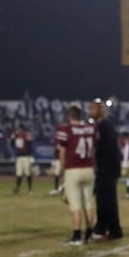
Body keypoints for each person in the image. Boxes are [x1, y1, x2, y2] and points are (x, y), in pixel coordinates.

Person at [54, 103, 98, 246]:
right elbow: (93, 150)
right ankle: (90, 233)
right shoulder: (90, 128)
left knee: (75, 204)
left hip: (73, 169)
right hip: (89, 169)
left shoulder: (65, 129)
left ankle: (77, 235)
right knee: (88, 202)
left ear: (69, 116)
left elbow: (62, 152)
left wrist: (62, 170)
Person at [90, 99, 123, 239]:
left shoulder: (105, 126)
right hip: (106, 167)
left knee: (108, 200)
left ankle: (114, 230)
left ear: (100, 110)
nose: (90, 112)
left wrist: (98, 161)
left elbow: (107, 149)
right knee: (101, 199)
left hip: (107, 168)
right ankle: (101, 227)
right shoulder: (102, 125)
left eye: (93, 109)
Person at [12, 122, 34, 194]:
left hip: (26, 156)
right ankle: (17, 188)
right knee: (19, 173)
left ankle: (30, 189)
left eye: (19, 128)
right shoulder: (16, 135)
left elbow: (30, 145)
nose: (18, 130)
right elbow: (12, 145)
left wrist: (31, 156)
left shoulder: (26, 135)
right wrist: (12, 139)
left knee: (28, 173)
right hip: (19, 156)